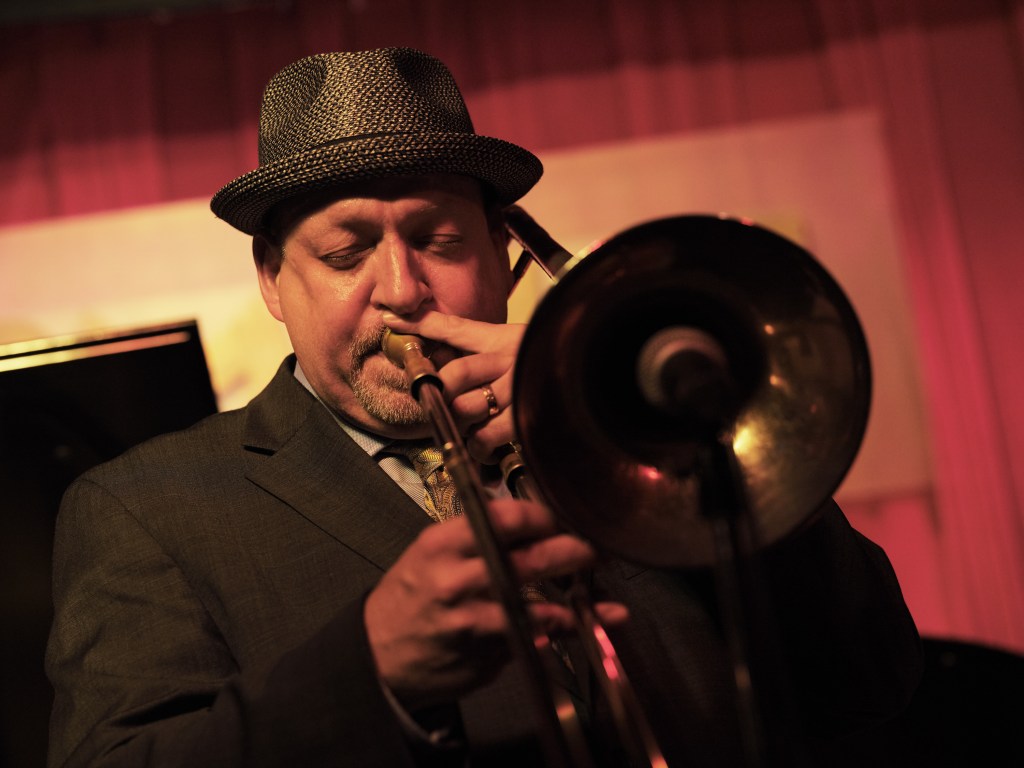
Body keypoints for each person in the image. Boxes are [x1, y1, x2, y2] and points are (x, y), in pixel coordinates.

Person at [46, 47, 922, 768]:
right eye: (347, 252)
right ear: (274, 282)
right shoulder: (148, 508)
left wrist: (658, 431)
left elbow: (875, 680)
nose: (401, 289)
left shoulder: (625, 440)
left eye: (439, 240)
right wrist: (372, 672)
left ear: (503, 259)